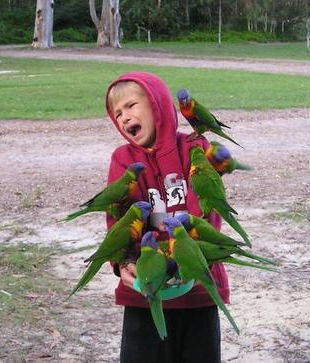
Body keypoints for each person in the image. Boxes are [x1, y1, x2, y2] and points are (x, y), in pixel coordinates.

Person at [104, 71, 230, 363]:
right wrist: (123, 262)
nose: (124, 117)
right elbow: (118, 221)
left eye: (131, 106)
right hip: (146, 293)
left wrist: (186, 257)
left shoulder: (196, 149)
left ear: (157, 103)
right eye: (117, 113)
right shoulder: (122, 161)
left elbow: (208, 212)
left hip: (198, 289)